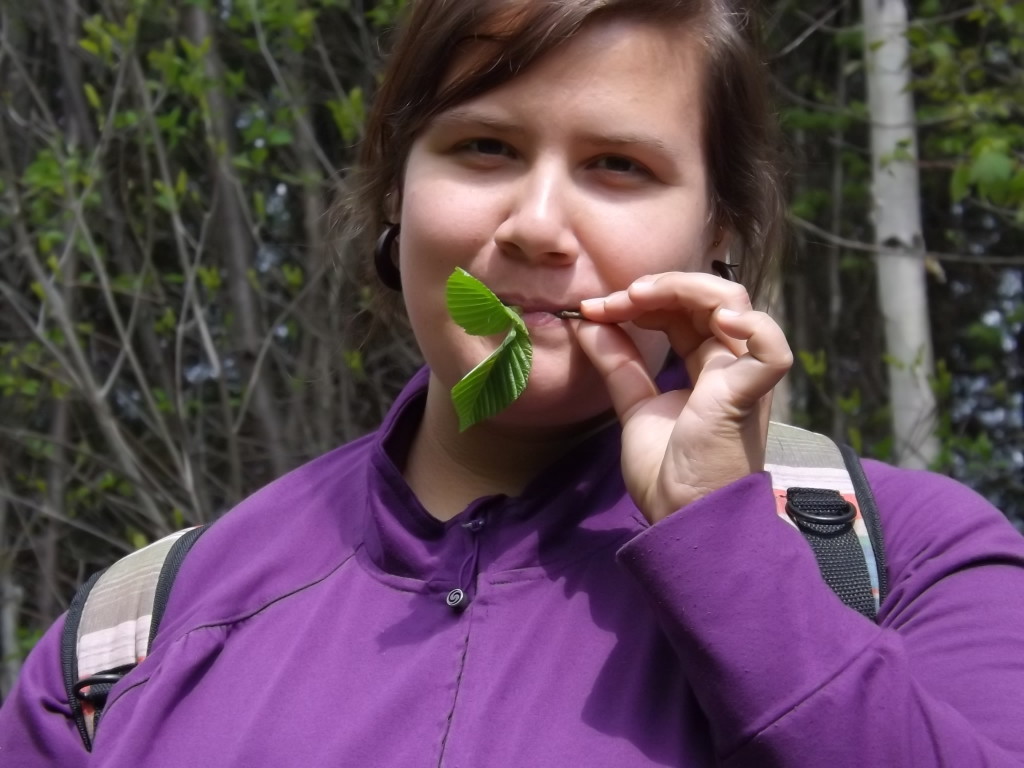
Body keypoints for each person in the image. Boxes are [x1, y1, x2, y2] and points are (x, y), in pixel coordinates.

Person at [3, 0, 1024, 765]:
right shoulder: (123, 643)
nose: (535, 224)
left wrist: (725, 545)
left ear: (716, 229)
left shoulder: (911, 560)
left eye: (618, 166)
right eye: (483, 148)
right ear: (397, 191)